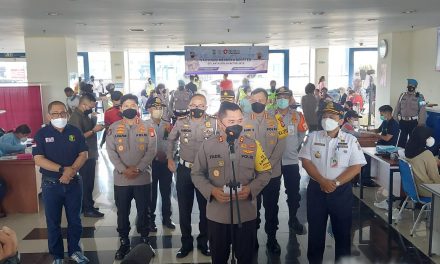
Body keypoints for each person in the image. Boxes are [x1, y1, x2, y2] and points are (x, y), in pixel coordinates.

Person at [191, 101, 272, 264]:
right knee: (219, 258)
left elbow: (265, 172)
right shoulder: (208, 145)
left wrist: (251, 189)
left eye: (240, 121)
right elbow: (196, 173)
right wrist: (212, 191)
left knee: (246, 258)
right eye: (231, 122)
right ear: (220, 123)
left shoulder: (253, 144)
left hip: (246, 214)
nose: (237, 125)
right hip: (217, 215)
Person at [299, 101, 366, 263]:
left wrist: (334, 183)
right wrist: (322, 181)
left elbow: (356, 167)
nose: (326, 119)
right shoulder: (314, 137)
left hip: (341, 192)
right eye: (324, 116)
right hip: (316, 190)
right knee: (315, 233)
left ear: (341, 120)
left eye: (331, 116)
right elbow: (306, 161)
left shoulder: (350, 140)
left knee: (343, 234)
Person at [33, 101, 89, 264]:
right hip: (51, 185)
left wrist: (72, 171)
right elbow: (38, 159)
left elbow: (83, 154)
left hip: (73, 183)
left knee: (75, 220)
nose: (59, 116)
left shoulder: (75, 131)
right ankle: (57, 255)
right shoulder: (41, 134)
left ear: (68, 114)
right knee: (53, 222)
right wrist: (63, 170)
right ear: (49, 115)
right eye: (55, 113)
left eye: (63, 113)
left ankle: (75, 251)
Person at [106, 94, 157, 260]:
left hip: (142, 178)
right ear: (120, 108)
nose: (129, 108)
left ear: (138, 108)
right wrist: (123, 169)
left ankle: (144, 240)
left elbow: (151, 150)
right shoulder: (113, 128)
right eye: (126, 105)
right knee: (122, 213)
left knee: (144, 212)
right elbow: (111, 151)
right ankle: (124, 242)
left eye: (133, 105)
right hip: (121, 180)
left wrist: (139, 168)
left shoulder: (148, 127)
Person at [167, 94, 215, 258]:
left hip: (205, 171)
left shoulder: (214, 122)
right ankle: (186, 243)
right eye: (194, 104)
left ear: (206, 106)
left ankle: (204, 242)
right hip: (184, 170)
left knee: (205, 209)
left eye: (200, 105)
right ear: (189, 106)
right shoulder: (181, 122)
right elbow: (171, 140)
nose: (197, 107)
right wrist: (169, 158)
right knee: (184, 209)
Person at [242, 88, 288, 254]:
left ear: (268, 102)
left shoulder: (277, 120)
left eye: (261, 100)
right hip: (250, 174)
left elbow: (281, 145)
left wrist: (267, 165)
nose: (257, 103)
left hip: (271, 173)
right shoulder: (243, 120)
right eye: (254, 100)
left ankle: (272, 238)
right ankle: (251, 238)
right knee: (252, 206)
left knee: (271, 207)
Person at [275, 87, 308, 235]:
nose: (282, 99)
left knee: (293, 192)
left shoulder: (297, 116)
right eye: (279, 96)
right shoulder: (269, 115)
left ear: (290, 99)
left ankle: (293, 218)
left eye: (285, 96)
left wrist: (294, 146)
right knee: (271, 194)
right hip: (272, 161)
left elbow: (302, 133)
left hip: (291, 160)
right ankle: (271, 226)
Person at [68, 93, 105, 217]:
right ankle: (87, 208)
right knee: (87, 182)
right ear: (84, 104)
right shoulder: (75, 117)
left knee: (89, 182)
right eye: (91, 106)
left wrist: (94, 122)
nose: (92, 108)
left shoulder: (84, 115)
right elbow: (77, 137)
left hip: (90, 152)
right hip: (84, 155)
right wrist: (94, 130)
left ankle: (87, 205)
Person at [146, 96, 176, 232]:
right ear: (148, 109)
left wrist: (170, 156)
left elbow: (174, 142)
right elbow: (140, 146)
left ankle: (167, 218)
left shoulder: (167, 124)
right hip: (150, 165)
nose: (158, 110)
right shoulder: (143, 125)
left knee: (166, 192)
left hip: (165, 164)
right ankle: (150, 220)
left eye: (160, 107)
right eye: (155, 107)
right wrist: (153, 155)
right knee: (151, 194)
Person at [405, 126, 440, 197]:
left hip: (413, 189)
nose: (430, 138)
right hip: (428, 190)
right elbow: (435, 177)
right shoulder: (427, 154)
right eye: (428, 136)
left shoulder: (407, 151)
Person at [394, 79, 427, 147]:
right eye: (409, 85)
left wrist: (421, 123)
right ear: (407, 86)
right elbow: (397, 107)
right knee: (401, 141)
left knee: (413, 141)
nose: (410, 87)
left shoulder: (420, 96)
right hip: (403, 122)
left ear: (415, 87)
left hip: (413, 122)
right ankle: (400, 155)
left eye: (412, 86)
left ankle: (411, 156)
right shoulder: (402, 95)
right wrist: (395, 118)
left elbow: (422, 109)